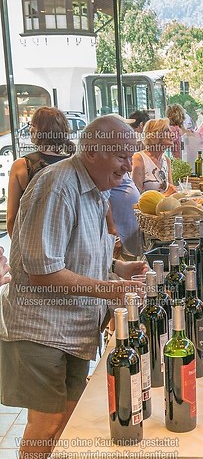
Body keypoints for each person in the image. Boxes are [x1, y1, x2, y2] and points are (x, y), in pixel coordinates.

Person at [0, 115, 148, 459]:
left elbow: (77, 253)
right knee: (46, 425)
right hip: (42, 330)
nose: (129, 166)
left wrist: (119, 268)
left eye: (131, 155)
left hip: (74, 330)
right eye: (121, 156)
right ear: (93, 151)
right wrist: (108, 290)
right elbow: (42, 271)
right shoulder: (57, 184)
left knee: (67, 421)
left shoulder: (94, 187)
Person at [6, 106, 75, 236]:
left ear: (38, 131)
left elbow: (11, 219)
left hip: (33, 238)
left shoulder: (22, 166)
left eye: (32, 125)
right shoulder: (74, 163)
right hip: (67, 238)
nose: (30, 128)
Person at [131, 118, 174, 193]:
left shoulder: (166, 160)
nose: (173, 134)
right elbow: (136, 196)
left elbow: (171, 192)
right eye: (167, 131)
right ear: (155, 135)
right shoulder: (139, 158)